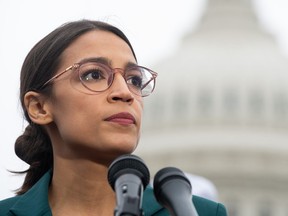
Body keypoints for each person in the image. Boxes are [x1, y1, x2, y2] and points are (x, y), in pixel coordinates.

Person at [0, 19, 227, 216]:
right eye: (94, 74)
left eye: (134, 80)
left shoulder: (197, 211)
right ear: (39, 107)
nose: (125, 93)